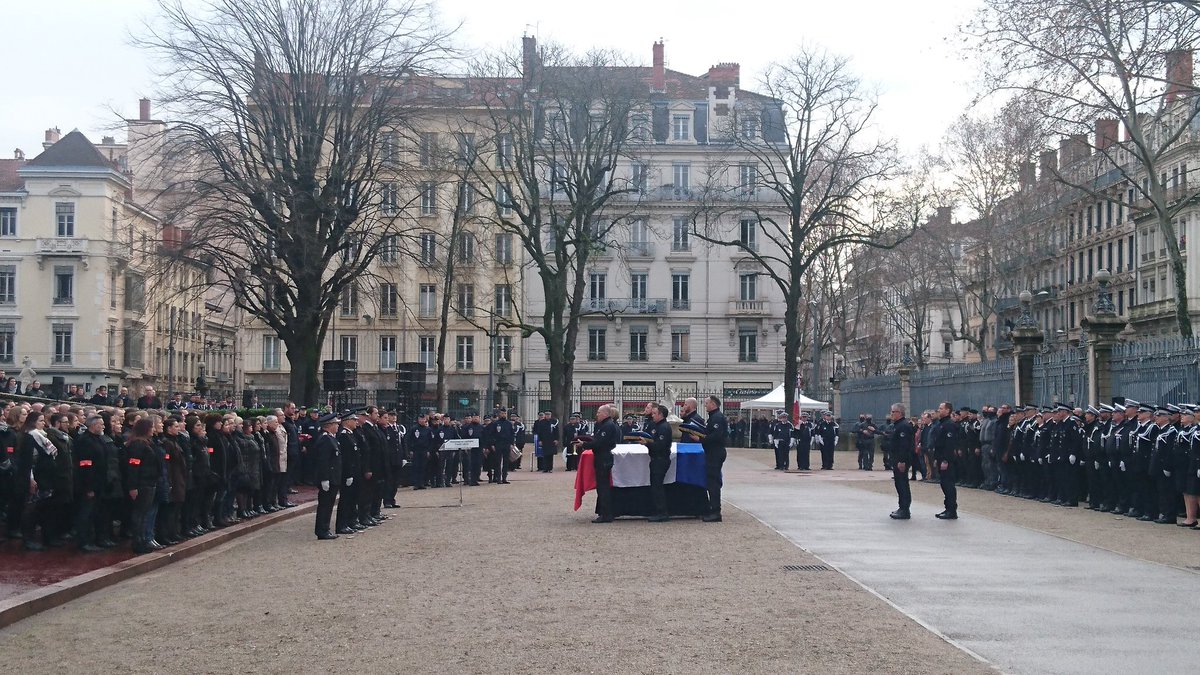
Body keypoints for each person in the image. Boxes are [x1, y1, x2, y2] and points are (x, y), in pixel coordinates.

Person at [581, 404, 619, 523]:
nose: (597, 414)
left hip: (603, 457)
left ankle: (606, 514)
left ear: (606, 414)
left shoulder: (607, 426)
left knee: (603, 487)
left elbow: (599, 442)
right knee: (602, 486)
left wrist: (584, 445)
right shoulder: (604, 425)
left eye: (599, 412)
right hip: (601, 456)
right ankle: (605, 512)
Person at [929, 401, 960, 519]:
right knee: (944, 484)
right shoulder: (941, 424)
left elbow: (949, 445)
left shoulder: (949, 425)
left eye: (941, 408)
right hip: (940, 457)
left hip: (946, 459)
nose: (939, 410)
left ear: (947, 410)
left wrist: (945, 460)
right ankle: (948, 508)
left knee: (948, 484)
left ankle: (952, 510)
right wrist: (937, 458)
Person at [885, 403, 916, 519]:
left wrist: (902, 461)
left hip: (901, 459)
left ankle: (905, 509)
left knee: (902, 483)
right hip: (896, 458)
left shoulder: (903, 426)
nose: (891, 414)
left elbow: (904, 445)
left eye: (893, 412)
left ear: (900, 413)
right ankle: (901, 507)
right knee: (899, 483)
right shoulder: (897, 425)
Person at [313, 413, 341, 540]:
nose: (337, 426)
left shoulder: (331, 438)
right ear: (329, 425)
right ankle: (322, 530)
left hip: (333, 477)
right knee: (325, 505)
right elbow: (323, 461)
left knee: (329, 505)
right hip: (328, 477)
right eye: (335, 424)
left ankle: (325, 528)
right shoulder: (325, 439)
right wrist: (324, 478)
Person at [700, 396, 728, 522]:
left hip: (715, 452)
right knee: (711, 481)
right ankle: (713, 509)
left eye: (706, 403)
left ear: (713, 404)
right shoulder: (713, 417)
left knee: (713, 483)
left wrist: (702, 438)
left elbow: (716, 436)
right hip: (713, 452)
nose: (705, 405)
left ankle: (716, 511)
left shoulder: (717, 417)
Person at [647, 404, 673, 522]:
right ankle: (658, 510)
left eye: (654, 413)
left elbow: (660, 445)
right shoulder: (656, 426)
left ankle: (662, 512)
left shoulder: (664, 427)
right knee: (655, 486)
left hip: (660, 459)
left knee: (657, 486)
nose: (652, 415)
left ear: (661, 415)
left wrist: (647, 443)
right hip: (655, 459)